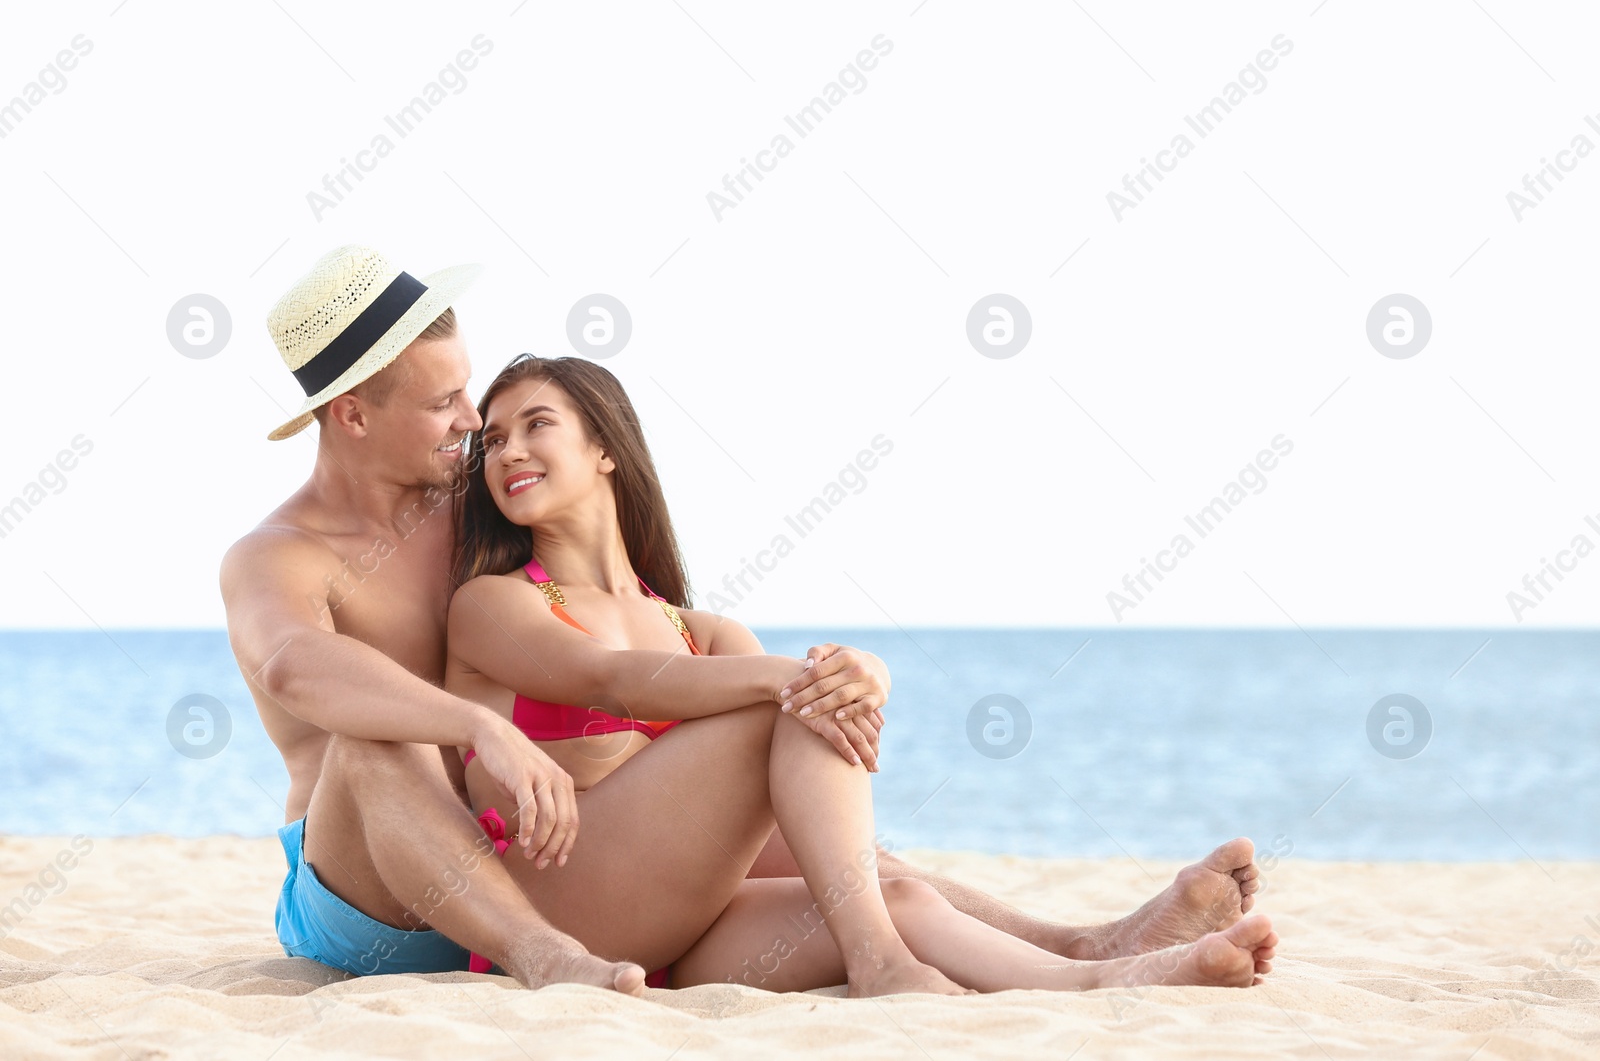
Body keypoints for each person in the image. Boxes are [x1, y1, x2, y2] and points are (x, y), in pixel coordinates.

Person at [222, 244, 1270, 996]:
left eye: (480, 409)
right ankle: (543, 956)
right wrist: (476, 725)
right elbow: (296, 666)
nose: (471, 428)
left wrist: (840, 675)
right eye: (445, 405)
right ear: (350, 412)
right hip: (377, 908)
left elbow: (635, 647)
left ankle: (1085, 947)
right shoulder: (283, 554)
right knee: (376, 741)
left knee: (850, 863)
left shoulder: (484, 509)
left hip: (541, 855)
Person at [439, 352, 1279, 993]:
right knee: (796, 708)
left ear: (607, 449)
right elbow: (613, 678)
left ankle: (1094, 965)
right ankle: (882, 966)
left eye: (535, 423)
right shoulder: (494, 604)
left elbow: (802, 781)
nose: (507, 448)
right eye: (495, 436)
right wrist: (803, 678)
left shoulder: (704, 629)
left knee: (893, 895)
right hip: (557, 914)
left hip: (672, 943)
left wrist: (866, 670)